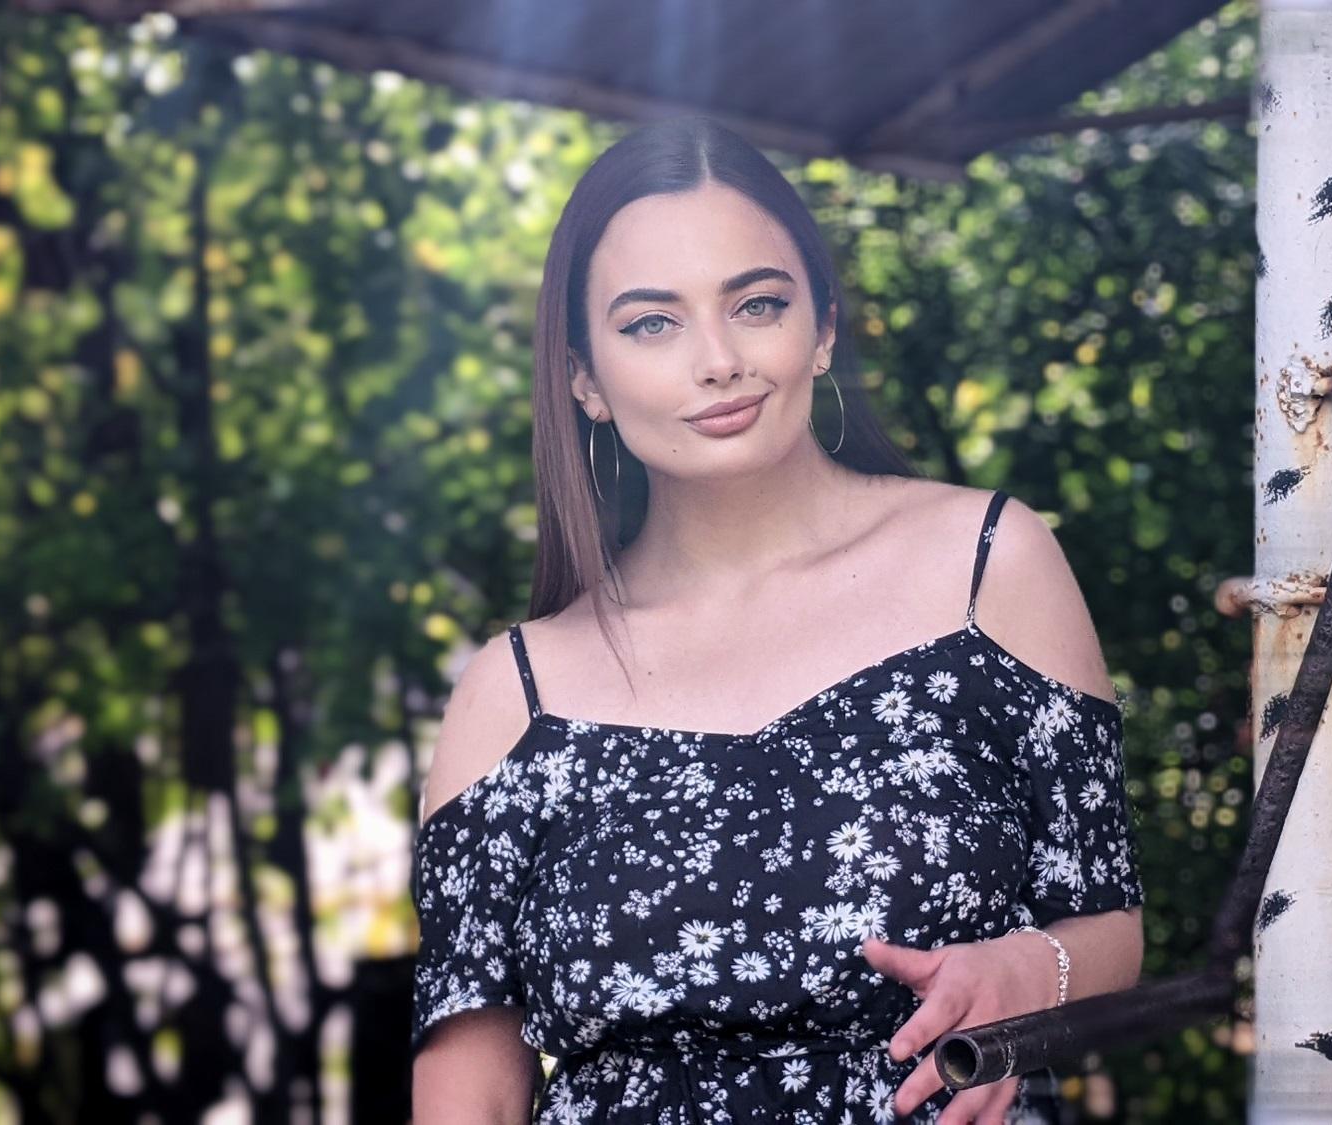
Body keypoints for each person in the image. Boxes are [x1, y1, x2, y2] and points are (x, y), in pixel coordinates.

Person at [408, 116, 1146, 1125]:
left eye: (756, 304)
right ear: (583, 377)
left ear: (822, 326)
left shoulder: (987, 567)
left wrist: (1030, 969)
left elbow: (1107, 924)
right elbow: (471, 1096)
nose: (718, 359)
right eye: (651, 324)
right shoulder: (513, 695)